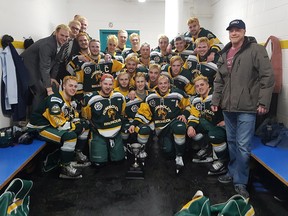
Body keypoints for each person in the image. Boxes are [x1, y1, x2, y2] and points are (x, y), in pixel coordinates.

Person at [211, 19, 275, 198]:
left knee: (243, 146)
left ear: (244, 31)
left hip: (247, 107)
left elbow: (267, 77)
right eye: (231, 30)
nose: (234, 33)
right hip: (228, 107)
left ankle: (241, 182)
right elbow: (219, 80)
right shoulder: (224, 53)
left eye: (237, 30)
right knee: (232, 142)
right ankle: (233, 171)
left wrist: (263, 102)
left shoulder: (256, 50)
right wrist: (216, 100)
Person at [26, 76, 90, 179]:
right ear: (64, 86)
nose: (73, 88)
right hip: (39, 127)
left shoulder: (69, 100)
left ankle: (77, 154)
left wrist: (80, 124)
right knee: (70, 136)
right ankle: (65, 168)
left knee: (86, 125)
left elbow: (73, 117)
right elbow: (61, 125)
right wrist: (77, 127)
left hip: (51, 125)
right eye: (70, 86)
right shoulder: (55, 100)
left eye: (75, 86)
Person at [129, 75, 191, 173]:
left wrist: (184, 114)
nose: (163, 86)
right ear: (157, 85)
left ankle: (179, 156)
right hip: (161, 130)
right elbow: (143, 112)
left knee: (180, 127)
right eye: (161, 83)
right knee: (168, 153)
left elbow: (188, 106)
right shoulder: (150, 97)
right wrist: (134, 124)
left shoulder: (178, 94)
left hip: (174, 122)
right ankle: (174, 147)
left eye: (165, 83)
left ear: (169, 84)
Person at [21, 24, 70, 111]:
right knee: (40, 91)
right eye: (62, 35)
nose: (64, 38)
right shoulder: (48, 44)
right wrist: (48, 88)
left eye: (66, 36)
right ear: (56, 33)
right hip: (28, 65)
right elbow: (44, 66)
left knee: (51, 86)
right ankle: (34, 120)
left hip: (39, 67)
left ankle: (43, 116)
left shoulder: (64, 44)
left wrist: (52, 78)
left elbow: (57, 62)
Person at [81, 74, 126, 167]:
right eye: (105, 84)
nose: (108, 87)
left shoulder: (119, 97)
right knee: (99, 163)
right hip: (98, 132)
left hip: (116, 132)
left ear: (113, 85)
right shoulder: (91, 98)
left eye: (110, 84)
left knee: (118, 161)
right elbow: (86, 117)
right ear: (100, 83)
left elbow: (122, 113)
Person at [187, 75, 228, 175]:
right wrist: (190, 126)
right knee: (192, 129)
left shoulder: (217, 95)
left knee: (214, 135)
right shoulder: (196, 100)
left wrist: (226, 121)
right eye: (197, 86)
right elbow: (194, 115)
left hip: (222, 127)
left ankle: (223, 160)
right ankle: (207, 149)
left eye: (202, 85)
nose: (200, 87)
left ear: (208, 85)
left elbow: (229, 107)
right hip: (209, 126)